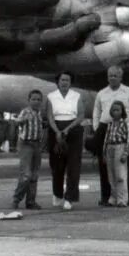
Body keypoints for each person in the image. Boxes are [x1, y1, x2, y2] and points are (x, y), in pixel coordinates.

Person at [92, 65, 129, 206]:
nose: (112, 78)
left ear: (121, 77)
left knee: (123, 167)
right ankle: (107, 197)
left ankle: (124, 197)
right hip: (105, 128)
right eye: (110, 75)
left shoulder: (128, 92)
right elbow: (96, 111)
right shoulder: (101, 93)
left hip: (122, 129)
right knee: (105, 165)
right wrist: (97, 128)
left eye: (115, 75)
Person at [46, 71, 85, 211]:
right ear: (58, 81)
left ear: (71, 82)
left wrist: (68, 129)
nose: (64, 82)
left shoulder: (77, 96)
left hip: (73, 129)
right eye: (62, 80)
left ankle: (70, 198)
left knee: (73, 165)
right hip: (55, 127)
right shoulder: (51, 96)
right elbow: (50, 115)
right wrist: (57, 131)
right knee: (57, 165)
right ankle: (57, 194)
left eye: (67, 80)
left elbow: (81, 115)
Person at [12, 89, 45, 210]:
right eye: (33, 99)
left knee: (34, 175)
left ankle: (31, 201)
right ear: (29, 100)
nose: (36, 102)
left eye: (38, 100)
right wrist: (23, 120)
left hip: (37, 145)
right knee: (26, 174)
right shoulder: (25, 112)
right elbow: (17, 122)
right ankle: (16, 198)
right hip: (26, 144)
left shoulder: (39, 113)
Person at [103, 101, 129, 207]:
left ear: (122, 112)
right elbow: (106, 139)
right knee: (111, 175)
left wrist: (126, 153)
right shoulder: (110, 125)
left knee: (120, 175)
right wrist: (104, 152)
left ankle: (122, 199)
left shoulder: (126, 125)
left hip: (120, 147)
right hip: (110, 148)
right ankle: (113, 198)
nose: (115, 112)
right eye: (113, 110)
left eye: (118, 110)